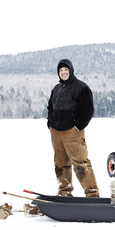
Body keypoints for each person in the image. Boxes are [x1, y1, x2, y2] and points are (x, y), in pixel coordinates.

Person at [46, 59, 99, 197]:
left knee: (81, 163)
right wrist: (50, 123)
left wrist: (78, 126)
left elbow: (88, 109)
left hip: (72, 131)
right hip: (56, 132)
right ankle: (64, 193)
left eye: (65, 70)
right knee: (60, 163)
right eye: (60, 70)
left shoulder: (81, 87)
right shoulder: (56, 89)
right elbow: (50, 107)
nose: (63, 73)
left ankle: (92, 194)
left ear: (71, 70)